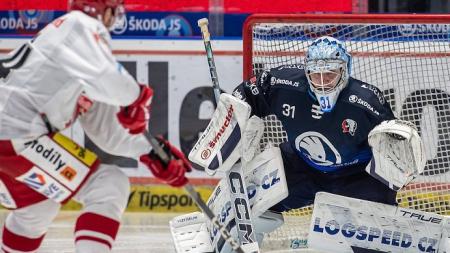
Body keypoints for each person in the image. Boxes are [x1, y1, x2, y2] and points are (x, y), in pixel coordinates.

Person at [0, 0, 190, 252]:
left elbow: (106, 131)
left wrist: (150, 150)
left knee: (36, 207)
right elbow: (110, 79)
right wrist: (136, 97)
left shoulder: (74, 54)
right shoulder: (81, 25)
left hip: (12, 136)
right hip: (15, 133)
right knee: (108, 186)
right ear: (105, 10)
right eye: (115, 10)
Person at [231, 36, 419, 212]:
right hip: (301, 167)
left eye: (330, 74)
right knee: (248, 203)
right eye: (316, 75)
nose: (323, 82)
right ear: (307, 72)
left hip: (356, 177)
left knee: (374, 235)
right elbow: (248, 91)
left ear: (344, 70)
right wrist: (235, 119)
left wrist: (400, 162)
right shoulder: (286, 84)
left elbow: (392, 144)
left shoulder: (366, 102)